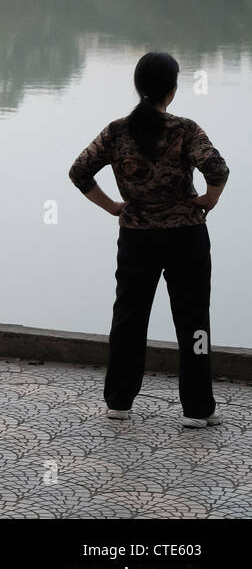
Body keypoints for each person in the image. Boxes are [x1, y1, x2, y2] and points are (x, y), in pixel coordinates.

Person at [69, 51, 228, 428]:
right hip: (186, 238)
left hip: (137, 238)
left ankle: (119, 401)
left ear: (139, 87)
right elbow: (217, 169)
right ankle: (197, 408)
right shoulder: (186, 130)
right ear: (171, 90)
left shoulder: (116, 131)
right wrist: (209, 200)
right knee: (194, 322)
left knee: (129, 317)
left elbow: (79, 172)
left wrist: (112, 206)